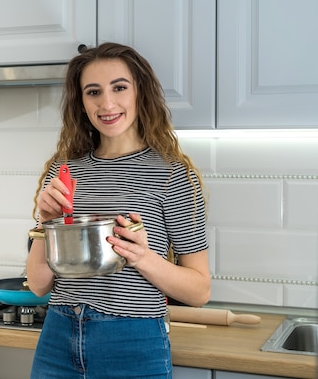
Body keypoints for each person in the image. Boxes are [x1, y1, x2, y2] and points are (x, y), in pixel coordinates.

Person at [26, 42, 210, 378]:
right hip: (58, 336)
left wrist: (142, 257)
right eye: (93, 91)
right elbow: (38, 284)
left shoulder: (171, 175)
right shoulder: (64, 172)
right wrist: (46, 223)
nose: (107, 103)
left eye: (120, 88)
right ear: (81, 103)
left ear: (141, 93)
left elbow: (199, 290)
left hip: (133, 340)